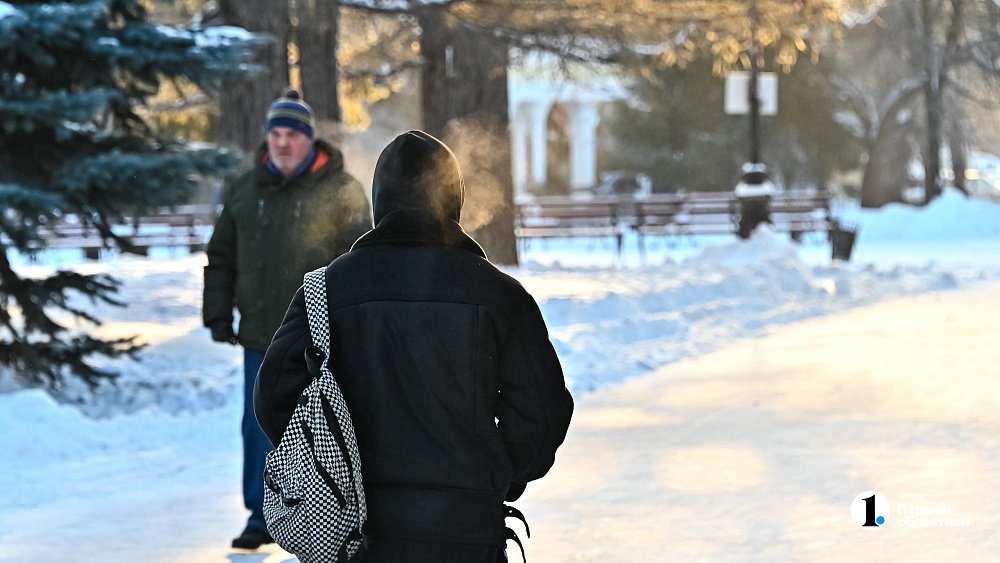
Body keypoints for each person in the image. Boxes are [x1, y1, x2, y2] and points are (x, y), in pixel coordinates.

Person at [255, 130, 574, 562]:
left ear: (378, 202)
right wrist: (495, 477)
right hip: (468, 531)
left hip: (361, 533)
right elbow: (543, 413)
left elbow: (274, 399)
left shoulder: (326, 290)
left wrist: (332, 469)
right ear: (453, 201)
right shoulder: (501, 295)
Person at [202, 88, 373, 550]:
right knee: (258, 424)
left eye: (291, 135)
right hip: (262, 334)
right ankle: (262, 516)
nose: (282, 143)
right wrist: (216, 310)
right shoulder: (245, 187)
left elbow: (362, 257)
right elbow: (221, 255)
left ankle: (340, 510)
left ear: (308, 139)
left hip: (324, 335)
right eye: (275, 134)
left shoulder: (341, 189)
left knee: (330, 425)